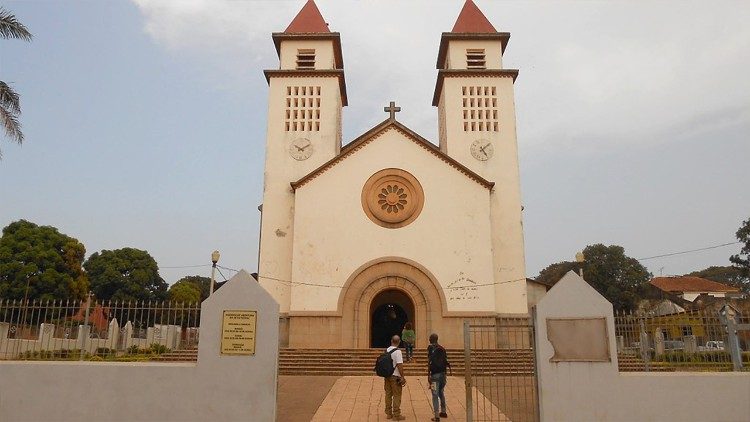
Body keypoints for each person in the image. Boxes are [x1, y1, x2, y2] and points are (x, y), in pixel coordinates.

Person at [427, 333, 449, 420]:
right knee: (441, 392)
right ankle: (443, 412)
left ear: (430, 340)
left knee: (434, 394)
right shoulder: (442, 349)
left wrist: (428, 376)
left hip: (434, 376)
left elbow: (429, 362)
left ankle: (436, 416)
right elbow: (446, 361)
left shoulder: (430, 348)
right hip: (443, 375)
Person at [384, 335, 406, 420]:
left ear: (391, 341)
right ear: (399, 342)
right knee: (397, 395)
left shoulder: (386, 350)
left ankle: (389, 413)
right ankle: (396, 415)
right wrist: (402, 376)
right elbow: (400, 365)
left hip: (387, 375)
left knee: (388, 394)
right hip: (395, 376)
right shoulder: (398, 352)